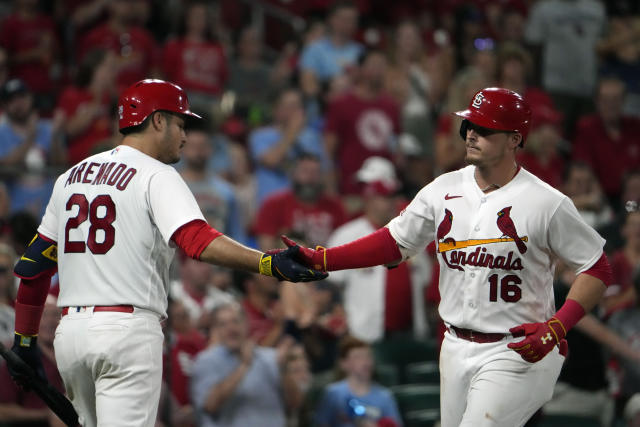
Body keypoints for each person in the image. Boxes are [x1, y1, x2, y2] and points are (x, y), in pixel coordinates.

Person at [284, 87, 612, 427]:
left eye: (485, 129)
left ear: (515, 139)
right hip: (455, 345)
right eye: (469, 125)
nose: (472, 133)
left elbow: (597, 266)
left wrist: (558, 326)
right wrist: (323, 260)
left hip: (516, 350)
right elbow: (394, 242)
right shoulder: (442, 189)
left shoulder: (547, 202)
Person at [7, 79, 326, 427]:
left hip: (72, 337)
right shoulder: (157, 174)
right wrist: (268, 263)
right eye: (180, 123)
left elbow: (35, 266)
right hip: (126, 332)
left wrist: (25, 340)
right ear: (157, 120)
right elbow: (197, 241)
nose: (185, 136)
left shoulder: (70, 177)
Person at [326, 157, 412, 342]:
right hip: (362, 335)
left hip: (409, 333)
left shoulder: (412, 233)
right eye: (376, 194)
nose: (384, 202)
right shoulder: (346, 235)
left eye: (388, 196)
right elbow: (328, 285)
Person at [190, 302, 302, 427]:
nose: (231, 328)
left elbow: (295, 403)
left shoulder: (271, 358)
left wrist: (284, 369)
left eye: (236, 321)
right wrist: (244, 365)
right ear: (215, 330)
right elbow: (209, 406)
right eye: (223, 324)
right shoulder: (206, 361)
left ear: (246, 324)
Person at [324, 49, 401, 197]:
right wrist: (331, 187)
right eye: (374, 65)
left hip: (384, 192)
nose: (378, 71)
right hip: (351, 188)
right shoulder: (341, 104)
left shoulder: (392, 106)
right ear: (360, 69)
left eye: (382, 66)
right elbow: (328, 149)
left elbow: (395, 144)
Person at [253, 153, 346, 251]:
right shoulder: (274, 204)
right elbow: (266, 249)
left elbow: (345, 241)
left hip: (327, 261)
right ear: (293, 174)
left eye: (316, 172)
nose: (310, 177)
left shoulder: (335, 206)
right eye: (305, 171)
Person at [0, 293, 64, 427]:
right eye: (44, 316)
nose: (50, 321)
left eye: (55, 315)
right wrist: (46, 414)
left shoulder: (72, 357)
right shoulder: (20, 360)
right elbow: (2, 411)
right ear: (34, 322)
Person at [314, 335, 402, 427]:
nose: (365, 362)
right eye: (358, 357)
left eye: (368, 356)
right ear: (343, 364)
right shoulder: (333, 394)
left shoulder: (385, 396)